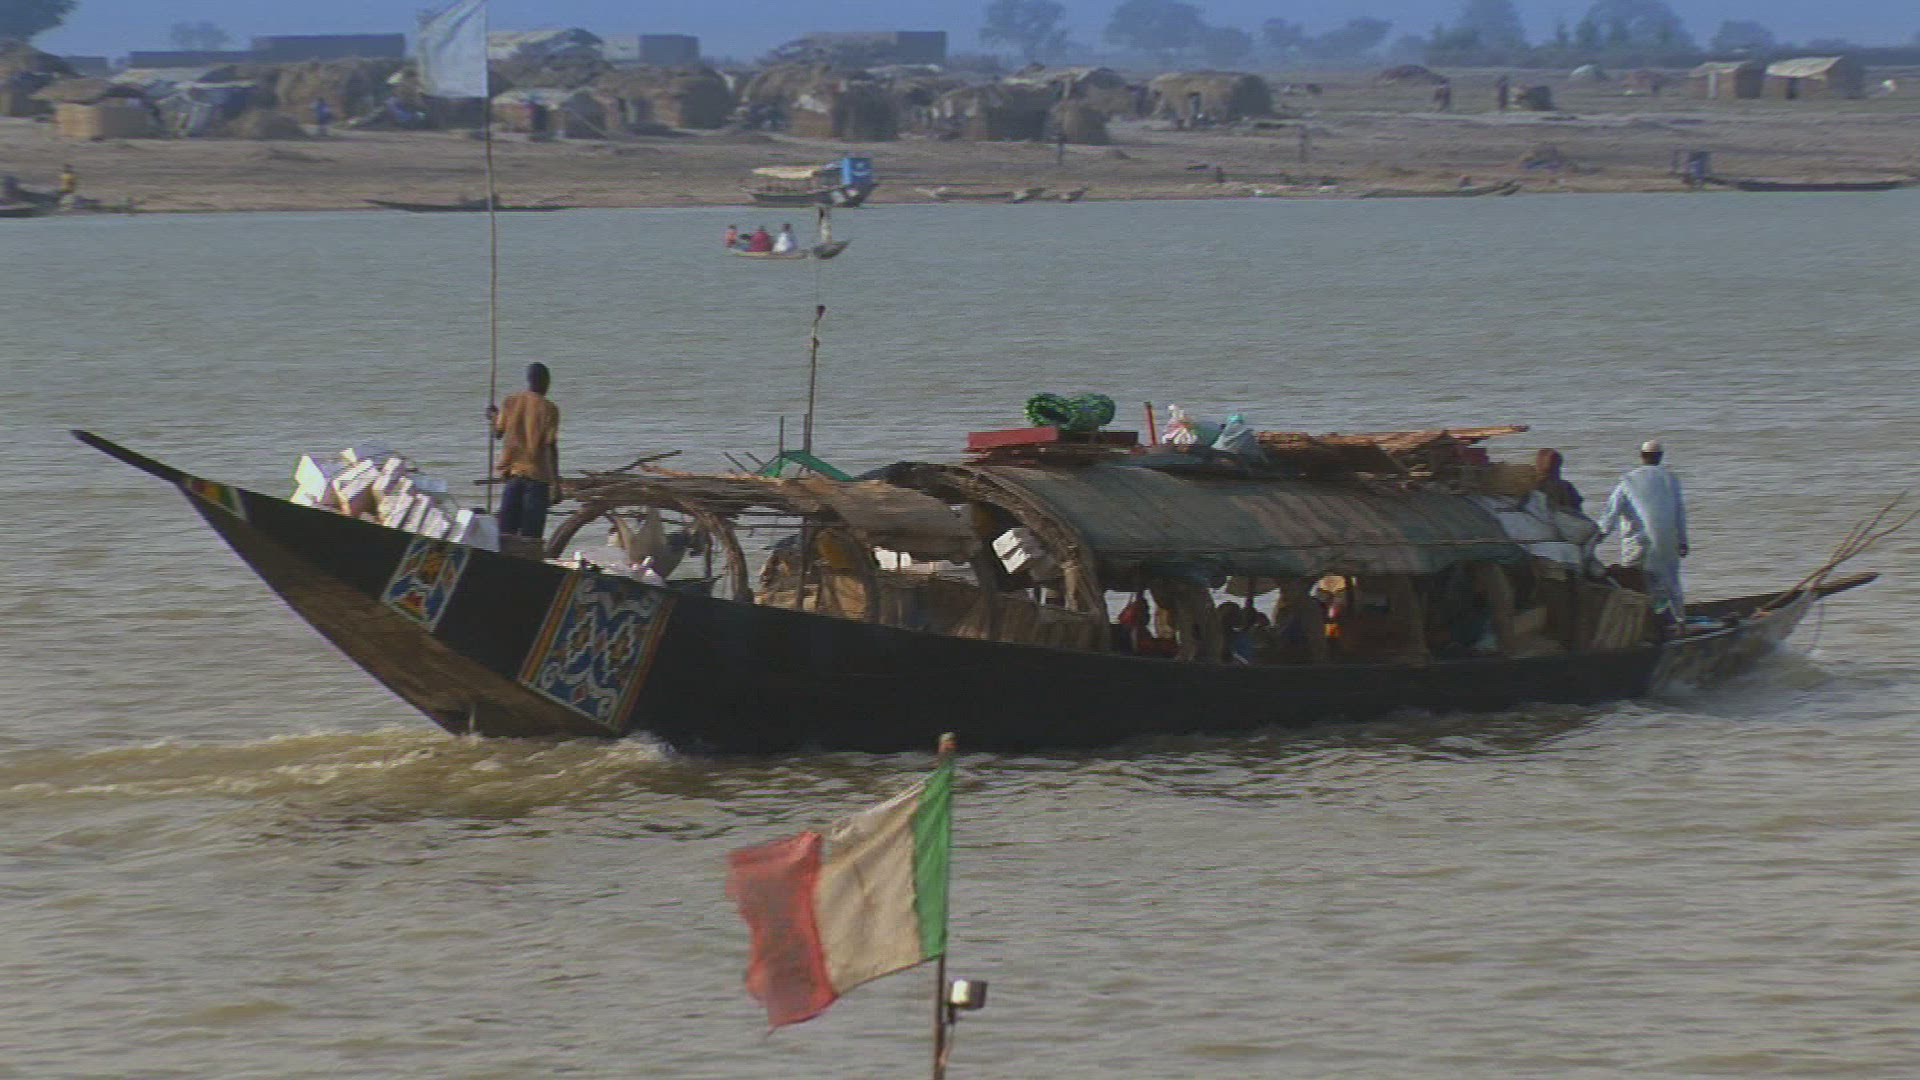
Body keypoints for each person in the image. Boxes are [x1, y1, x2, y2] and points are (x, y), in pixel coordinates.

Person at [1596, 439, 1689, 622]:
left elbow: (1610, 515)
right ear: (1660, 457)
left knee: (1635, 586)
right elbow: (1679, 512)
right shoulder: (1671, 480)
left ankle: (1640, 625)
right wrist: (1683, 541)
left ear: (1641, 456)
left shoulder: (1628, 481)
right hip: (1666, 544)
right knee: (1670, 584)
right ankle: (1680, 622)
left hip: (1636, 545)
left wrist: (1597, 537)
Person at [488, 362, 561, 540]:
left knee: (506, 533)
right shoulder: (549, 409)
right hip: (537, 479)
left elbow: (497, 433)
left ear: (529, 380)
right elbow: (550, 447)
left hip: (512, 476)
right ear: (546, 382)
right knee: (531, 538)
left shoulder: (510, 402)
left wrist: (493, 417)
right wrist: (556, 483)